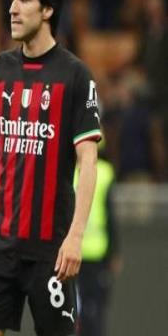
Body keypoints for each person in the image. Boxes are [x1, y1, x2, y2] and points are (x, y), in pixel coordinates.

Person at [0, 0, 101, 336]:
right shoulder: (0, 69)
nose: (12, 8)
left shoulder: (75, 75)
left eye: (24, 0)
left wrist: (76, 236)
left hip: (51, 249)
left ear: (47, 10)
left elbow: (88, 161)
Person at [75, 142, 120, 336]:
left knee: (76, 309)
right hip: (95, 251)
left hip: (75, 252)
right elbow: (111, 216)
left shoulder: (70, 170)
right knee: (93, 310)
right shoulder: (106, 172)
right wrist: (114, 251)